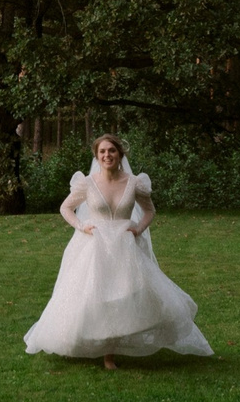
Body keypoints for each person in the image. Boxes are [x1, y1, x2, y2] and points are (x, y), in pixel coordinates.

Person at [23, 134, 212, 367]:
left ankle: (109, 353)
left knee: (122, 295)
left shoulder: (134, 183)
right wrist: (82, 226)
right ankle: (74, 341)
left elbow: (149, 211)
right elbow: (66, 207)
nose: (107, 155)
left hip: (124, 247)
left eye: (111, 151)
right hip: (95, 245)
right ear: (96, 156)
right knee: (90, 295)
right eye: (102, 152)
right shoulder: (88, 183)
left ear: (120, 154)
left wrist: (138, 229)